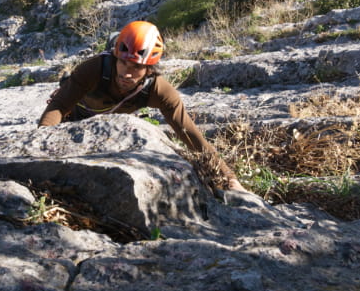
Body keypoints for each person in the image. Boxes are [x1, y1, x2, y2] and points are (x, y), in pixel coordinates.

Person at [39, 20, 246, 191]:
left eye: (137, 67)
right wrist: (42, 145)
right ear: (115, 57)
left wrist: (229, 178)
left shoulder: (158, 89)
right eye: (123, 63)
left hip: (113, 131)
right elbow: (59, 105)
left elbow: (189, 132)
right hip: (72, 120)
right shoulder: (94, 69)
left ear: (149, 69)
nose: (126, 73)